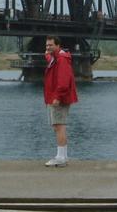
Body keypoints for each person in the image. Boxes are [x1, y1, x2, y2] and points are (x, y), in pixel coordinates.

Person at [43, 36, 78, 167]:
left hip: (59, 98)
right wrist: (47, 55)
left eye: (51, 45)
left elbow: (63, 82)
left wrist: (57, 97)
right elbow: (51, 59)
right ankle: (63, 156)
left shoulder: (62, 60)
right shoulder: (57, 58)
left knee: (59, 126)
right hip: (56, 97)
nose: (48, 48)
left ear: (58, 46)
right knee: (58, 126)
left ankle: (60, 158)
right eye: (47, 45)